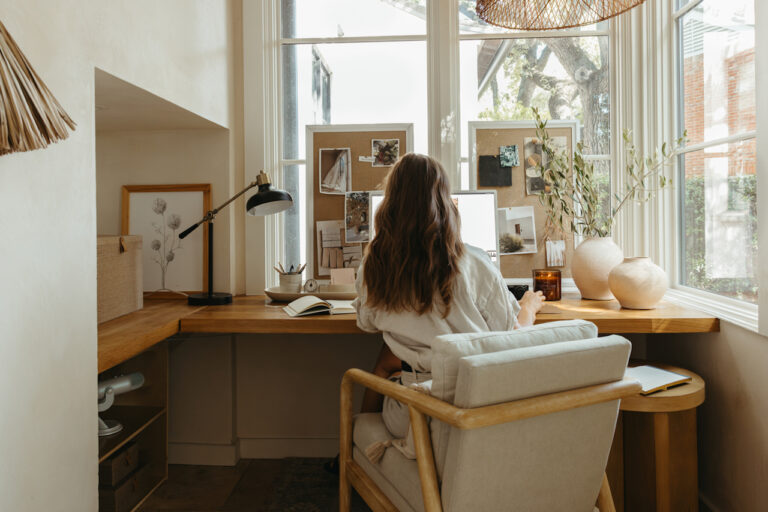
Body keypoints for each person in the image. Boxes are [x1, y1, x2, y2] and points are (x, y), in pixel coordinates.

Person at [354, 153, 545, 439]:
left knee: (385, 361)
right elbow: (511, 337)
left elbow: (367, 323)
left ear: (390, 204)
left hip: (413, 417)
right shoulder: (476, 263)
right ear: (445, 204)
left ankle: (355, 455)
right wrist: (528, 307)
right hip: (473, 411)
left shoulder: (374, 267)